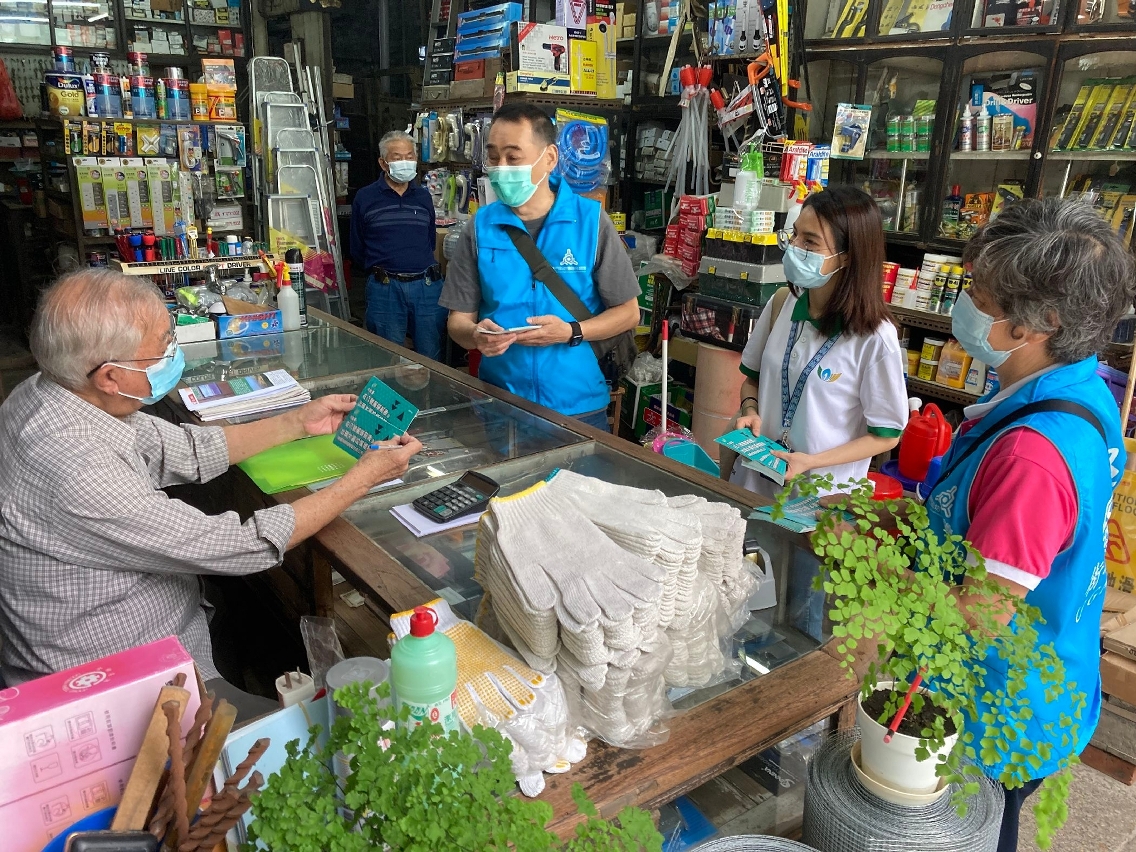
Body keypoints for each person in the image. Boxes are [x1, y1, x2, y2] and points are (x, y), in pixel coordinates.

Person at [0, 270, 421, 715]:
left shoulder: (55, 391)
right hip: (118, 679)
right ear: (109, 376)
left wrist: (298, 421)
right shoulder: (75, 463)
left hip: (166, 618)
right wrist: (361, 479)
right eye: (162, 348)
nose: (173, 353)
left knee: (246, 620)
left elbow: (184, 449)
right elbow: (240, 545)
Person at [922, 198, 1135, 852]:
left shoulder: (1032, 457)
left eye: (980, 297)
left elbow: (978, 614)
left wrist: (879, 588)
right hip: (1055, 669)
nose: (966, 305)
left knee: (974, 829)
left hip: (999, 709)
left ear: (1039, 322)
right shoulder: (1081, 387)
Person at [439, 102, 640, 432]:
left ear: (549, 158)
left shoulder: (590, 222)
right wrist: (475, 336)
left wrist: (571, 331)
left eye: (513, 157)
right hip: (502, 404)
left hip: (577, 406)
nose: (501, 168)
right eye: (493, 157)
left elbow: (628, 313)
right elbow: (458, 321)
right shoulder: (479, 228)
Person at [724, 186, 908, 498]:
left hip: (820, 499)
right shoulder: (782, 303)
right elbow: (752, 380)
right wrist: (750, 409)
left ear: (847, 256)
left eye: (810, 242)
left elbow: (886, 434)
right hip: (753, 484)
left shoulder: (875, 338)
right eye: (795, 235)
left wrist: (811, 462)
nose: (794, 247)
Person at [350, 130, 446, 361]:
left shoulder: (423, 197)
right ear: (383, 163)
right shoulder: (365, 197)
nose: (405, 162)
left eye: (409, 156)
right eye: (397, 157)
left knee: (431, 357)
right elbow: (357, 247)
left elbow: (429, 240)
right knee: (386, 357)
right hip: (385, 288)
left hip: (427, 287)